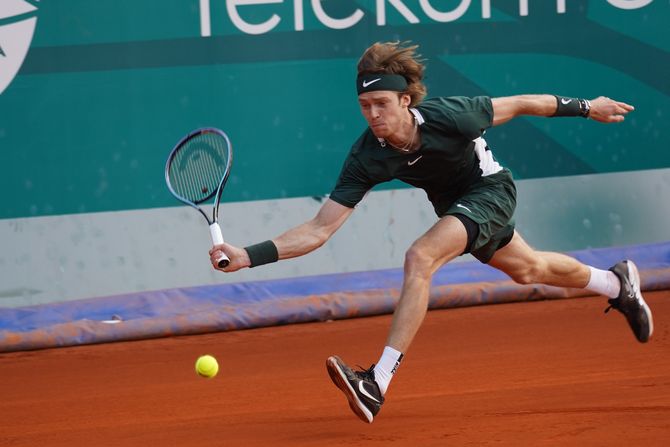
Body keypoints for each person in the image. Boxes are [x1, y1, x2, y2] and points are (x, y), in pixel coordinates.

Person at [209, 41, 653, 424]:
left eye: (382, 103)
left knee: (420, 257)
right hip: (454, 207)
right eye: (365, 107)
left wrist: (587, 108)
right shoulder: (366, 156)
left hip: (489, 191)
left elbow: (520, 103)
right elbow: (319, 229)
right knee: (529, 268)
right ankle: (617, 282)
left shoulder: (451, 115)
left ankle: (376, 382)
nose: (373, 115)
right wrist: (249, 255)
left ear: (405, 101)